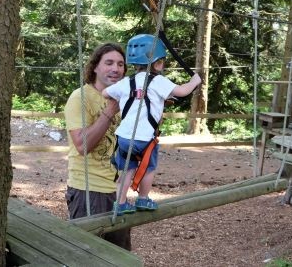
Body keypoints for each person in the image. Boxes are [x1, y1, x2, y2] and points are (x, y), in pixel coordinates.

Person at [102, 34, 201, 215]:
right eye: (162, 62)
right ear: (157, 63)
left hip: (124, 137)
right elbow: (181, 91)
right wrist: (194, 81)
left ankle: (121, 203)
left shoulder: (126, 82)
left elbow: (105, 93)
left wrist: (122, 96)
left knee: (126, 170)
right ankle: (143, 199)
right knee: (148, 167)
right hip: (145, 138)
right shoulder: (158, 81)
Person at [64, 42, 131, 250]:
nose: (115, 69)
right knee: (88, 256)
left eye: (120, 64)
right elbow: (82, 146)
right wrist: (110, 111)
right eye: (109, 63)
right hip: (88, 190)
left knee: (120, 257)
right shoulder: (80, 97)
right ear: (95, 67)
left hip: (117, 190)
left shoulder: (123, 99)